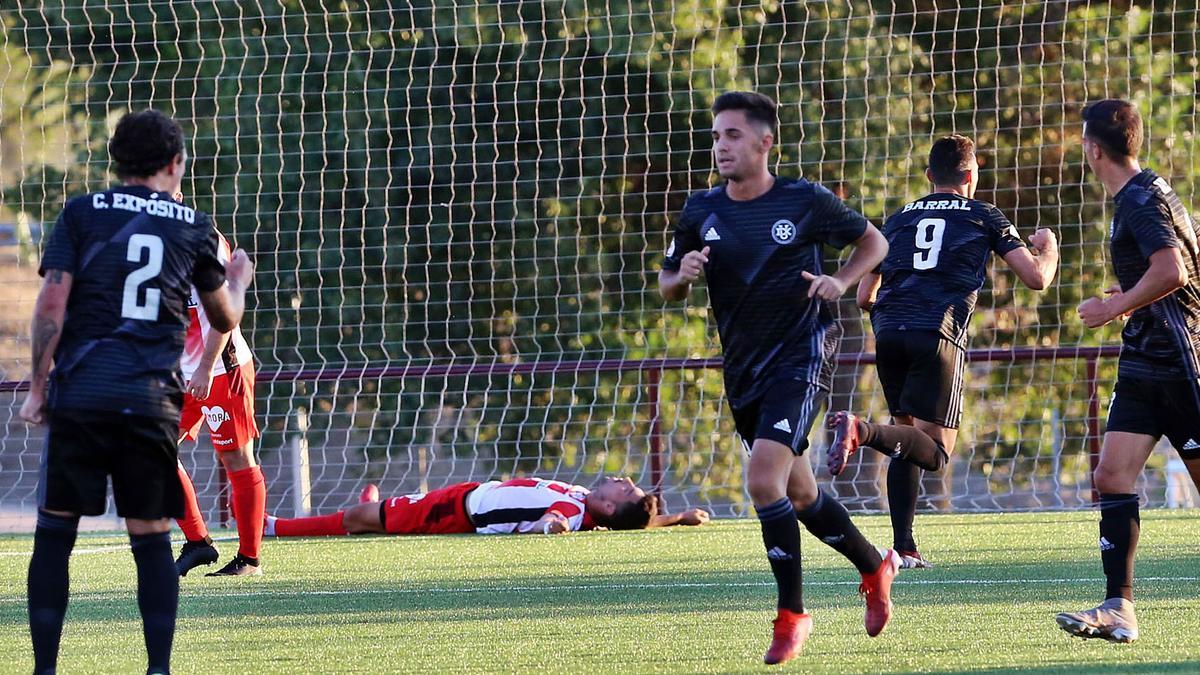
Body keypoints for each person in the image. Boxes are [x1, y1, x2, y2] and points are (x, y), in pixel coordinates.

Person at [658, 91, 897, 666]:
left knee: (763, 481)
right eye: (716, 136)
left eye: (733, 135)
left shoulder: (804, 199)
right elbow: (668, 281)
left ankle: (792, 616)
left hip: (804, 353)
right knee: (800, 493)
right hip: (743, 369)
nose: (720, 146)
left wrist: (840, 281)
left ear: (765, 142)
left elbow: (875, 242)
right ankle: (875, 566)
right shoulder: (700, 210)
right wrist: (683, 274)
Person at [18, 109, 254, 675]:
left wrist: (35, 387)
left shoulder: (80, 214)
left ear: (115, 162)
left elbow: (51, 305)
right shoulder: (194, 228)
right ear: (175, 165)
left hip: (82, 393)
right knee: (149, 541)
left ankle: (44, 669)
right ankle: (157, 670)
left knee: (54, 536)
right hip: (149, 399)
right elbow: (226, 315)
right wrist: (239, 278)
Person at [827, 135, 1059, 568]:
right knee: (935, 452)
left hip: (889, 330)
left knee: (908, 437)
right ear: (971, 176)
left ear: (930, 176)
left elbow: (863, 296)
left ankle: (904, 547)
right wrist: (1049, 248)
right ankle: (863, 431)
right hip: (936, 332)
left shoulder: (897, 220)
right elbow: (1035, 279)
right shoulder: (983, 214)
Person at [1055, 99, 1200, 643]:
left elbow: (1174, 269)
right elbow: (1187, 263)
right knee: (1111, 475)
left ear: (1094, 148)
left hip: (1180, 362)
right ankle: (1119, 607)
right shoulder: (1150, 190)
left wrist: (1113, 307)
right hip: (1146, 359)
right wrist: (1132, 299)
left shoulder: (1139, 200)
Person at [172, 196, 267, 578]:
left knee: (237, 458)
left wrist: (206, 369)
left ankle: (249, 560)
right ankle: (198, 542)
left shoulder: (202, 238)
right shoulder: (143, 236)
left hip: (219, 368)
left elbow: (221, 314)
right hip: (175, 371)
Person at [264, 476, 709, 537]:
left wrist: (547, 528)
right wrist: (678, 517)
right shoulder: (588, 501)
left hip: (460, 510)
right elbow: (635, 523)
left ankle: (274, 528)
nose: (624, 481)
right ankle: (378, 508)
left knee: (358, 520)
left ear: (610, 510)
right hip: (469, 492)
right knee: (377, 513)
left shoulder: (574, 513)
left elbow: (554, 523)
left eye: (626, 490)